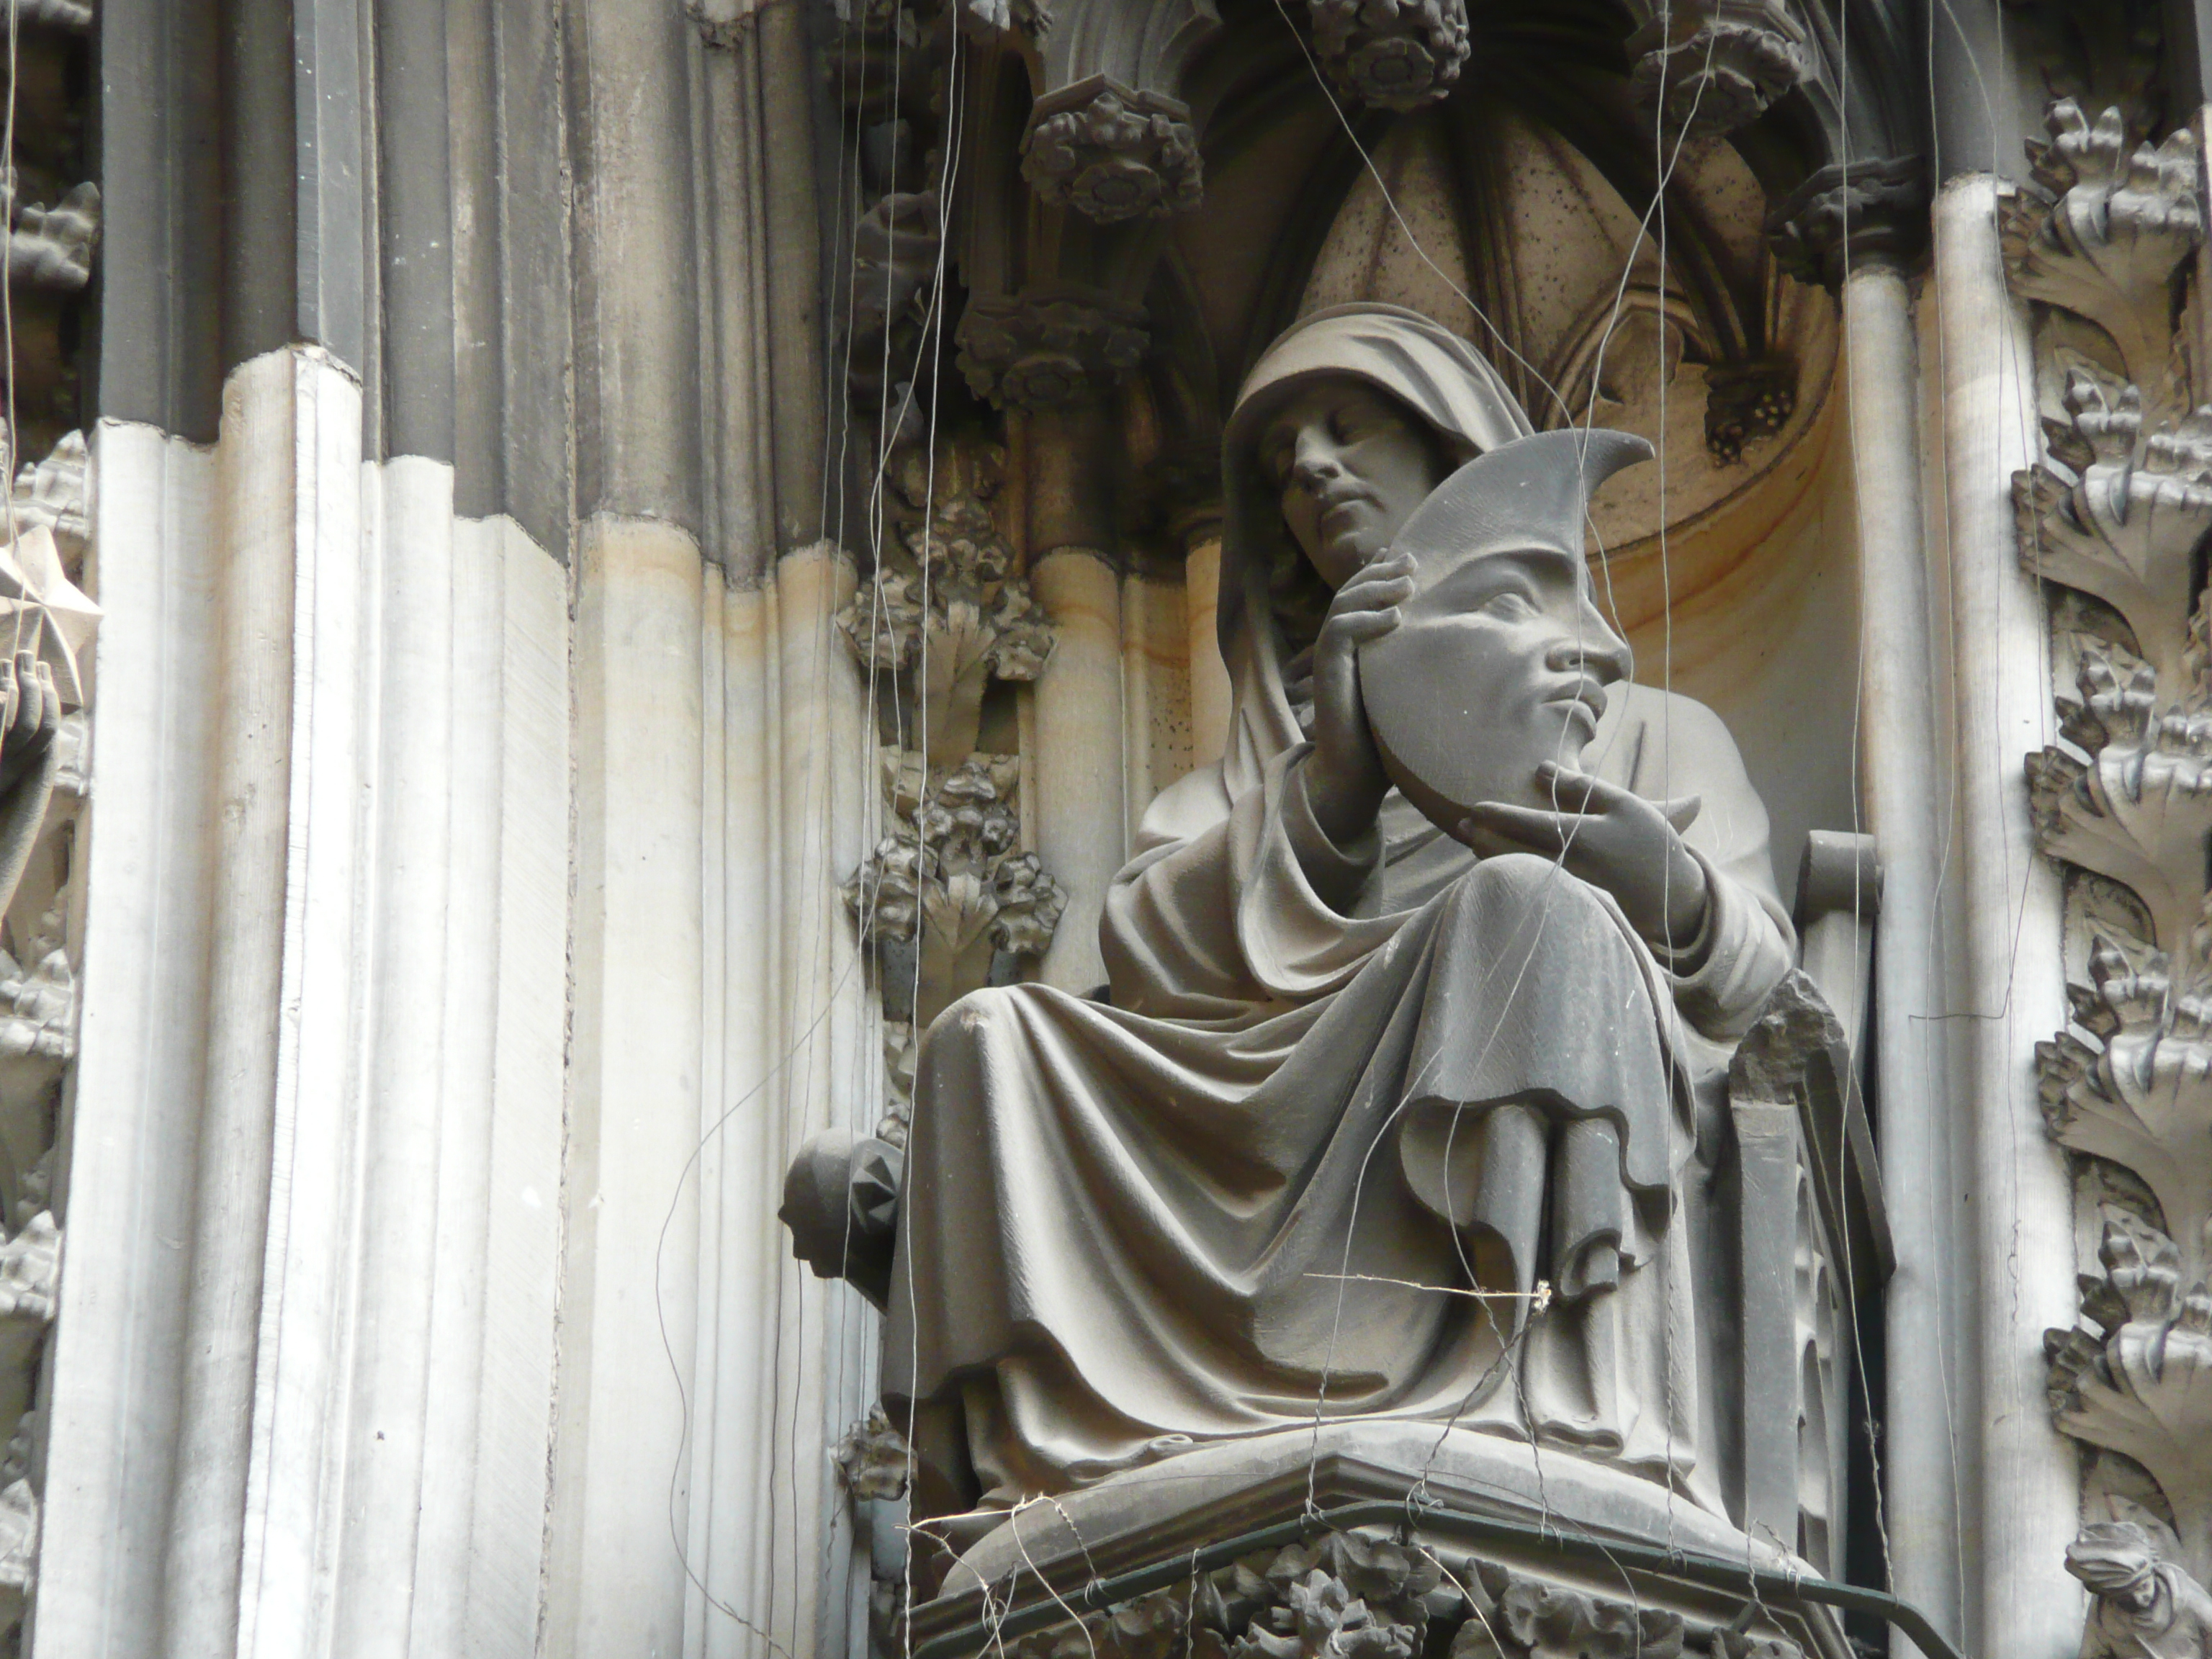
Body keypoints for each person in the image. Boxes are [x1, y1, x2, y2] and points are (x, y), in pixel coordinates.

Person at [881, 302, 1794, 1539]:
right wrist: (1335, 782)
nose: (1310, 467)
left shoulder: (1641, 731)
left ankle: (1534, 1395)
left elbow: (1760, 988)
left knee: (1524, 904)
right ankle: (1045, 1471)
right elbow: (1154, 975)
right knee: (983, 1037)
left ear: (1452, 449)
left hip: (1491, 1178)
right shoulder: (1241, 786)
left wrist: (1658, 881)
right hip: (1264, 1119)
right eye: (1279, 461)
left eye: (1347, 428)